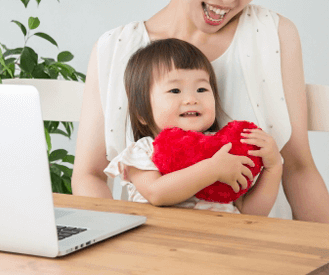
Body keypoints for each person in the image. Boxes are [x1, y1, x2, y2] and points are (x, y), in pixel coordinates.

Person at [71, 0, 329, 223]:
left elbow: (298, 169)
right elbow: (89, 174)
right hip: (146, 254)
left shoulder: (274, 35)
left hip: (260, 251)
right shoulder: (116, 48)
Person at [104, 38, 282, 214]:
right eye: (175, 90)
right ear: (142, 113)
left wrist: (273, 168)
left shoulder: (223, 149)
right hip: (162, 240)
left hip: (221, 239)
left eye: (202, 89)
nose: (192, 99)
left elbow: (251, 213)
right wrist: (213, 169)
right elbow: (156, 193)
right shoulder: (142, 152)